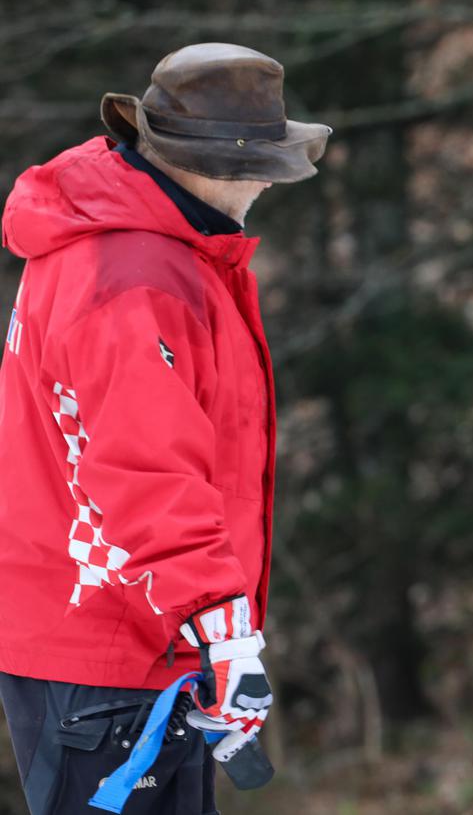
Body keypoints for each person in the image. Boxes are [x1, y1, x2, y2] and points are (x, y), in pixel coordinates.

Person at [0, 42, 329, 814]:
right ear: (229, 168)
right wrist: (227, 630)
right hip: (110, 648)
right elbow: (148, 474)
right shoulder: (136, 276)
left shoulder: (139, 243)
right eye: (269, 166)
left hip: (130, 635)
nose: (270, 186)